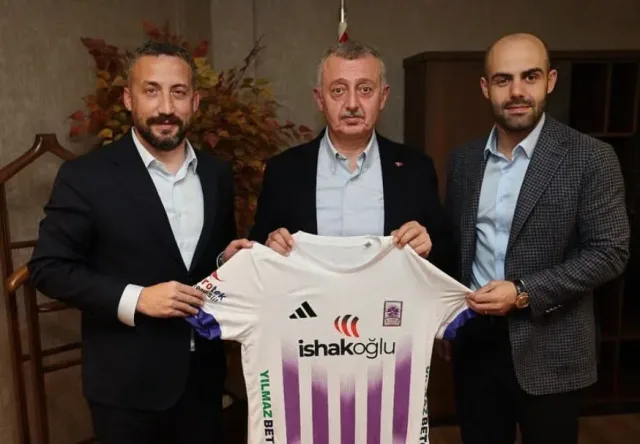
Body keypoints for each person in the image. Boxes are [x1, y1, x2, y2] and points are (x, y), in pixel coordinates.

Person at [28, 41, 251, 444]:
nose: (166, 107)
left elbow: (201, 264)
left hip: (204, 384)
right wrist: (138, 298)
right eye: (151, 91)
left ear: (195, 102)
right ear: (129, 99)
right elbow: (49, 268)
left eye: (178, 92)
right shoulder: (87, 176)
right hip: (125, 391)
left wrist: (226, 260)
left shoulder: (216, 174)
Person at [443, 33, 630, 444]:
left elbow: (610, 252)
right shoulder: (464, 160)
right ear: (485, 87)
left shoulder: (591, 157)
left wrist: (523, 292)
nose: (516, 91)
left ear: (550, 80)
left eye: (529, 76)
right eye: (503, 79)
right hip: (476, 345)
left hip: (551, 345)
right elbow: (456, 246)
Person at [249, 40, 453, 271]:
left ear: (383, 97)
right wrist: (269, 247)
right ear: (320, 99)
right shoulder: (283, 171)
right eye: (338, 90)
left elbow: (447, 257)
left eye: (365, 89)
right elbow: (256, 253)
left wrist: (428, 247)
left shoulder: (417, 169)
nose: (352, 104)